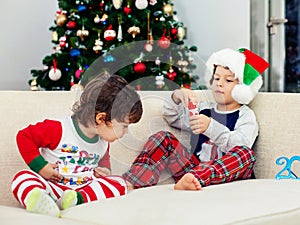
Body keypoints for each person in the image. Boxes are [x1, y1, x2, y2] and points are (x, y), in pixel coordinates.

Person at [123, 48, 269, 191]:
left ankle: (196, 179)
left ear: (242, 89)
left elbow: (240, 144)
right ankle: (131, 181)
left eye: (228, 80)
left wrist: (210, 127)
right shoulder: (203, 109)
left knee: (245, 154)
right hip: (195, 171)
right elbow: (172, 117)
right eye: (216, 78)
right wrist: (177, 96)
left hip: (226, 175)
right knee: (163, 138)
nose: (219, 83)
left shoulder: (245, 115)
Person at [11, 73, 143, 217]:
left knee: (119, 182)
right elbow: (24, 136)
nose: (125, 132)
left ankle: (75, 201)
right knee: (22, 177)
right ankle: (41, 200)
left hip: (83, 189)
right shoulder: (59, 129)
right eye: (124, 126)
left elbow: (103, 158)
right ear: (101, 119)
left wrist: (104, 169)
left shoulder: (103, 141)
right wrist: (42, 167)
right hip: (52, 186)